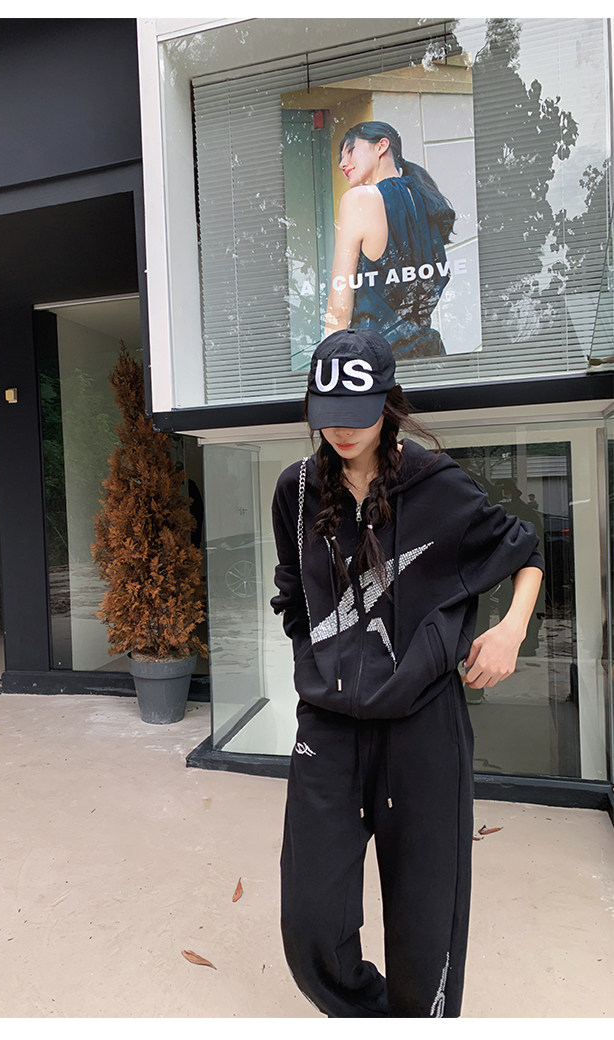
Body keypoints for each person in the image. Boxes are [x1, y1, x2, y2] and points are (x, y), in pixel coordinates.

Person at [270, 328, 543, 1017]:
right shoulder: (296, 490)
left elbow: (525, 549)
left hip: (422, 727)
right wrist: (313, 654)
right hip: (328, 725)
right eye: (327, 413)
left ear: (389, 404)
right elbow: (291, 590)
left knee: (426, 919)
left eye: (357, 414)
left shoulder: (439, 486)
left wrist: (510, 630)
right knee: (310, 920)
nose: (340, 429)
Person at [324, 121, 455, 359]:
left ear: (381, 146)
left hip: (372, 359)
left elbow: (339, 305)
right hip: (427, 354)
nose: (342, 163)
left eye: (350, 150)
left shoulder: (359, 200)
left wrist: (329, 363)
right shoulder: (425, 199)